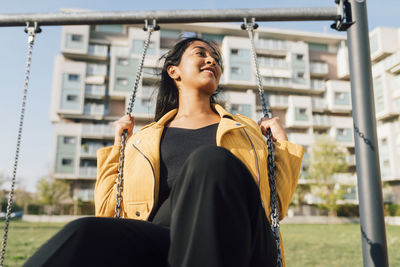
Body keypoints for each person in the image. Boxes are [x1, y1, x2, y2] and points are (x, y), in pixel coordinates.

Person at [24, 37, 304, 267]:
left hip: (241, 244)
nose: (212, 61)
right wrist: (118, 148)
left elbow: (275, 205)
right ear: (174, 71)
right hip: (168, 245)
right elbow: (108, 211)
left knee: (209, 162)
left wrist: (283, 147)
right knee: (85, 231)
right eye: (201, 53)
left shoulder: (245, 129)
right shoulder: (144, 139)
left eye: (216, 59)